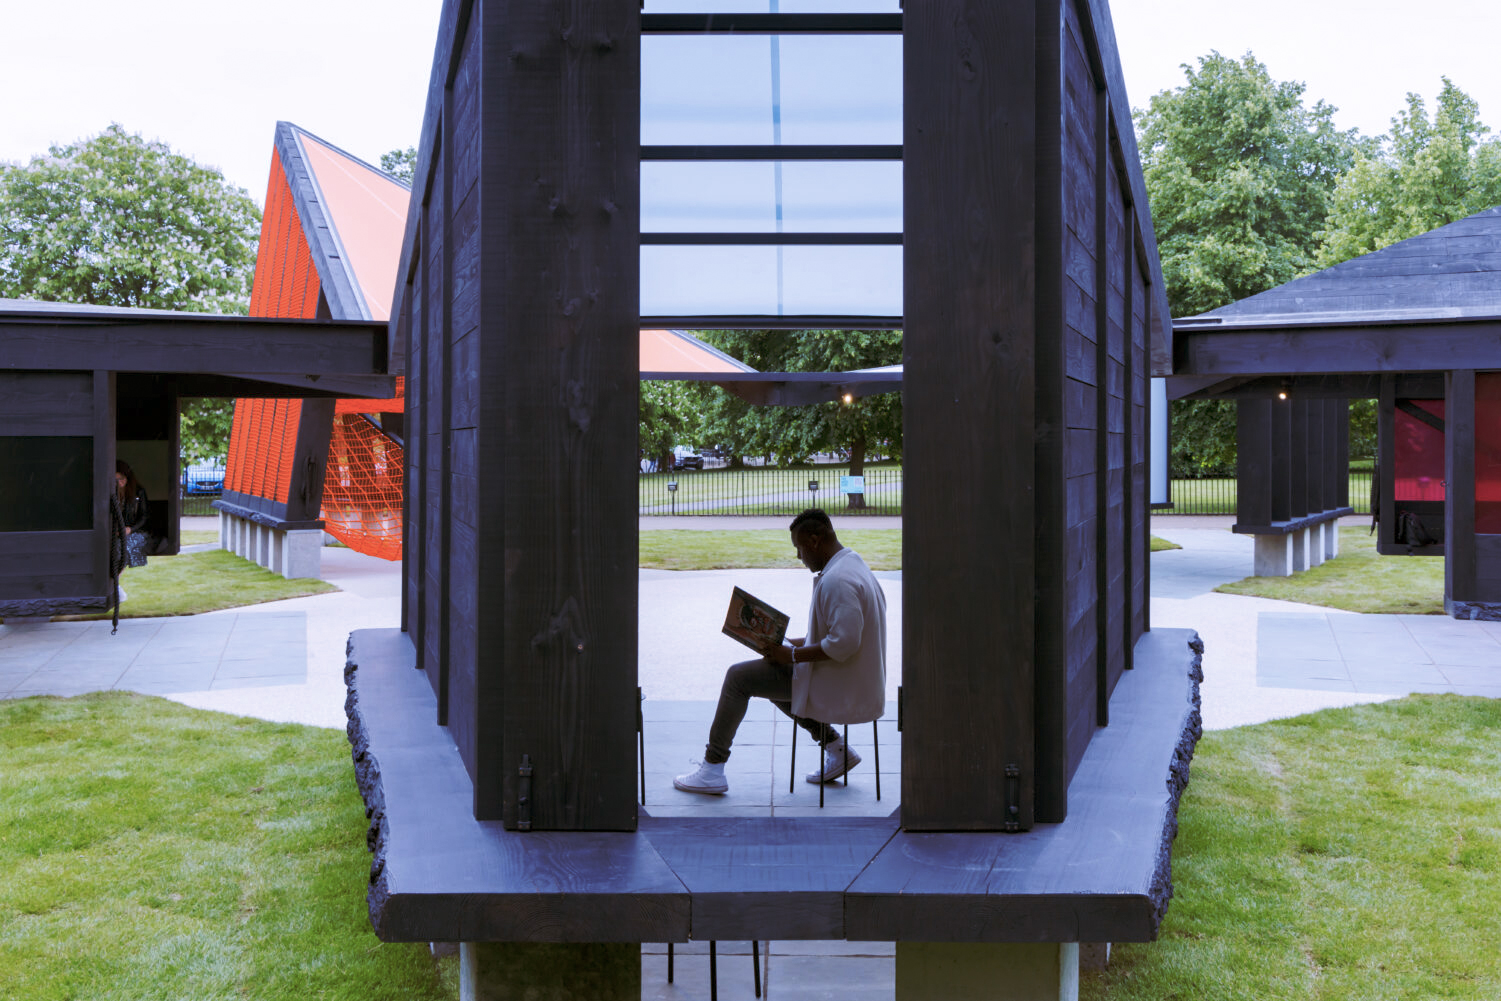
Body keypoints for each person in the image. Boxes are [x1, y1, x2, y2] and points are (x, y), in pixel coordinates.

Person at [674, 508, 888, 795]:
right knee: (771, 673)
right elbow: (835, 636)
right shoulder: (852, 564)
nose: (799, 556)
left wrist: (792, 656)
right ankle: (837, 749)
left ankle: (712, 768)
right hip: (853, 677)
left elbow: (844, 643)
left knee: (738, 678)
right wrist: (786, 644)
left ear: (814, 540)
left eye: (799, 548)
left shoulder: (838, 581)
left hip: (841, 684)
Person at [115, 460, 151, 573]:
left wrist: (130, 529)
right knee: (114, 548)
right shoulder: (110, 493)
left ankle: (115, 584)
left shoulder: (138, 492)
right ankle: (114, 584)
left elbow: (144, 517)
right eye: (116, 480)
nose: (119, 483)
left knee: (124, 546)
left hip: (136, 531)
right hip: (117, 532)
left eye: (121, 479)